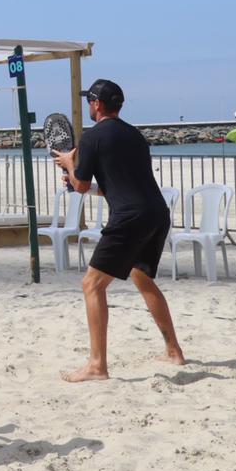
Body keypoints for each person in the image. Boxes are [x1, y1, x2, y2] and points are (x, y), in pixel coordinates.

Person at [52, 79, 186, 382]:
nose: (89, 105)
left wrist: (69, 164)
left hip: (130, 218)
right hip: (156, 212)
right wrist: (79, 179)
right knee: (141, 277)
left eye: (90, 100)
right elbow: (119, 186)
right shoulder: (135, 135)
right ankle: (174, 351)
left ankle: (97, 365)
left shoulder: (91, 137)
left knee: (92, 285)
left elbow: (81, 185)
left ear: (97, 104)